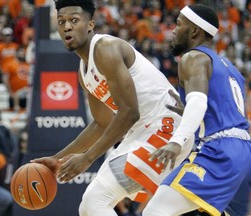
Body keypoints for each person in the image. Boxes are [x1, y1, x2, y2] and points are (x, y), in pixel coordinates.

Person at [31, 0, 194, 215]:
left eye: (74, 20)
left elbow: (129, 113)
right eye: (61, 22)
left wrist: (87, 158)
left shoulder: (105, 49)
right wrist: (57, 160)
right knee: (91, 207)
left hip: (165, 127)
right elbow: (101, 123)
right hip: (142, 131)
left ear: (90, 24)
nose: (67, 27)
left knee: (94, 201)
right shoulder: (83, 72)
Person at [147, 4, 251, 216]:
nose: (173, 30)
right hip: (244, 151)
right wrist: (188, 111)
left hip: (219, 150)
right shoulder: (231, 68)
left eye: (178, 24)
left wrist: (177, 141)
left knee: (157, 211)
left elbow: (198, 103)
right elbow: (223, 110)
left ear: (194, 30)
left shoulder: (192, 57)